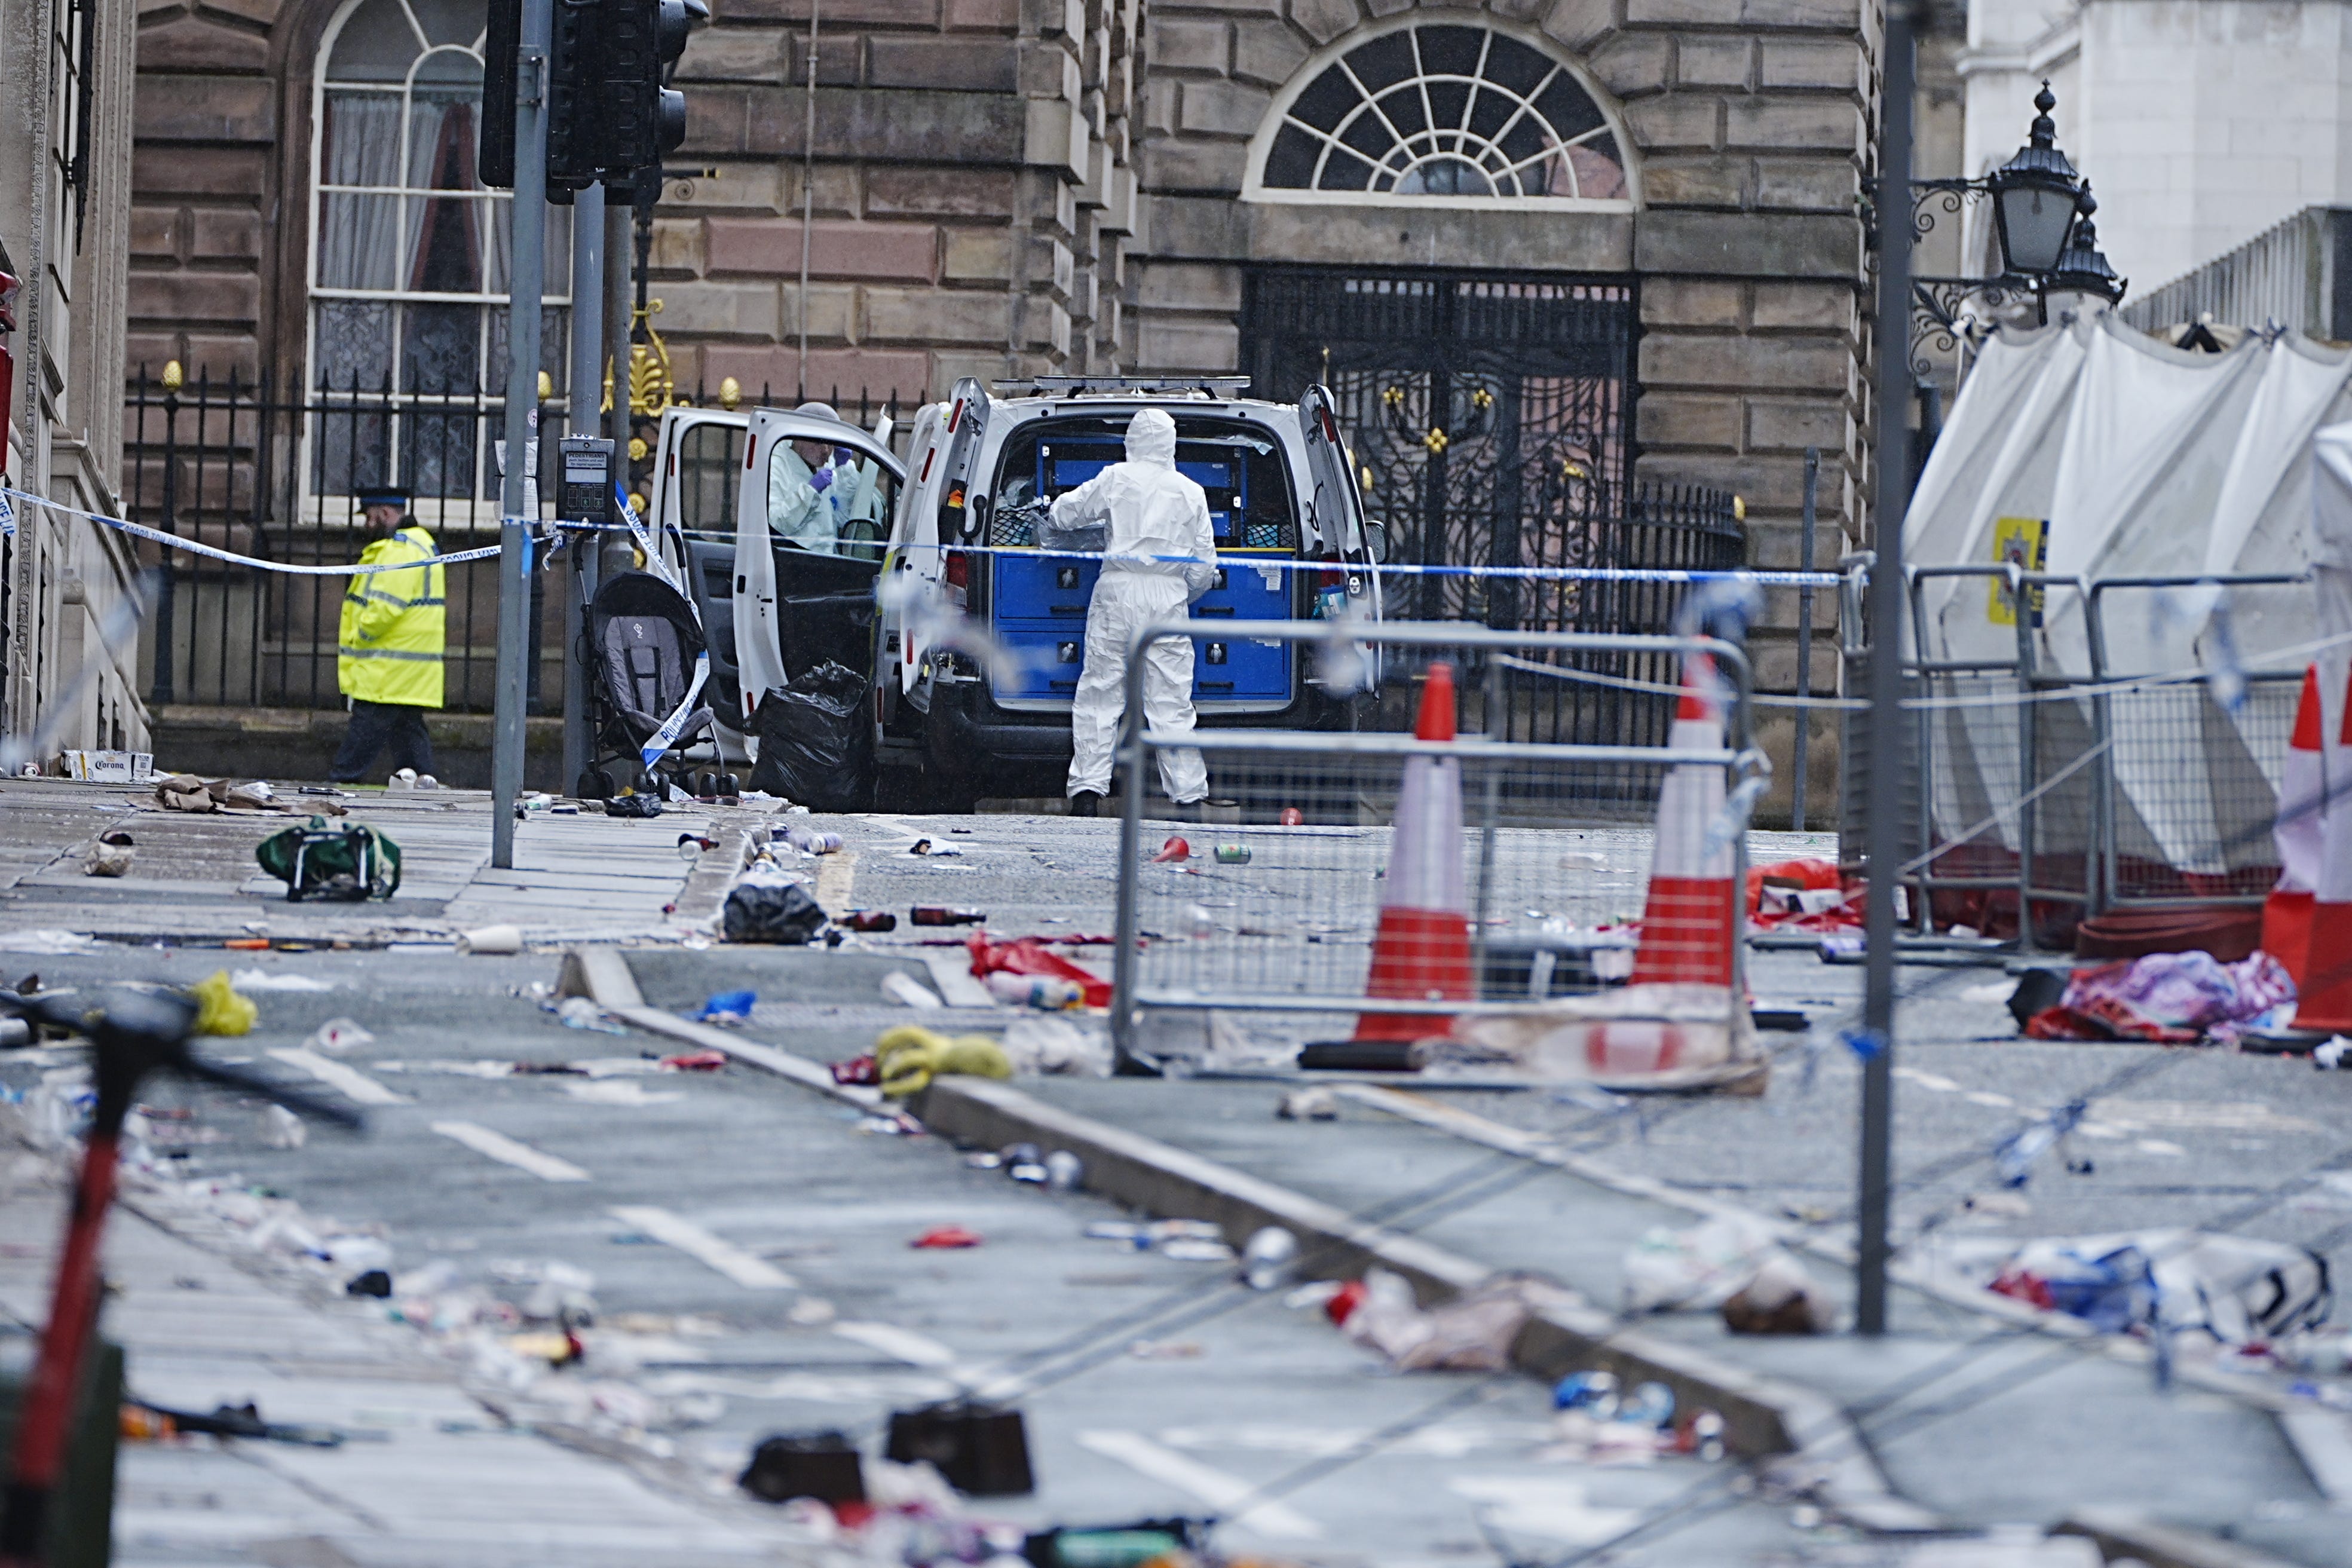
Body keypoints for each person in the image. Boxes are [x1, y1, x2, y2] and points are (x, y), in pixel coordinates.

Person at [1046, 407, 1218, 816]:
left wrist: (1051, 512)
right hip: (1167, 598)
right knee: (1171, 701)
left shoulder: (1114, 478)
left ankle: (1087, 794)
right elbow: (1206, 566)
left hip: (1117, 591)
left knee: (1100, 693)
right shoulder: (1191, 491)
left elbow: (1066, 513)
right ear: (1171, 444)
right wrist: (1181, 594)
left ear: (1132, 440)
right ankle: (1189, 799)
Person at [329, 485, 445, 784]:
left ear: (384, 513)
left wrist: (360, 637)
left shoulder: (401, 549)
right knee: (407, 727)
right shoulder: (420, 544)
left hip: (388, 664)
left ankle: (341, 781)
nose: (368, 525)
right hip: (406, 664)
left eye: (369, 517)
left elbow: (385, 607)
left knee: (367, 729)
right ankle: (423, 782)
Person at [766, 400, 886, 554]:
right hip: (795, 559)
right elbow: (776, 524)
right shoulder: (776, 465)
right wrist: (809, 493)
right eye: (819, 442)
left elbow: (854, 511)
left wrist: (844, 470)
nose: (826, 450)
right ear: (800, 437)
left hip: (827, 558)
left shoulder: (828, 464)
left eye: (830, 443)